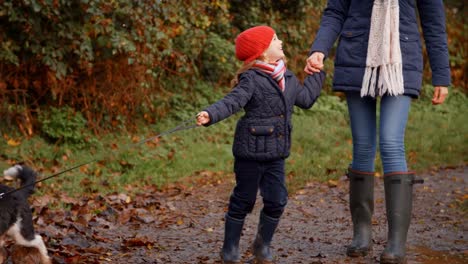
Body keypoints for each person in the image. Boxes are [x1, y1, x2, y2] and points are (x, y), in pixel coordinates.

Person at [304, 1, 450, 263]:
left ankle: (396, 242)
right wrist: (319, 49)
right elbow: (336, 11)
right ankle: (361, 233)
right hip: (356, 58)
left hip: (400, 60)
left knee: (392, 142)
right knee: (362, 146)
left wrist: (441, 75)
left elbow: (434, 23)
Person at [197, 25, 325, 263]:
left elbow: (306, 100)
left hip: (276, 152)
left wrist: (316, 74)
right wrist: (210, 114)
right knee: (243, 200)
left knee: (277, 200)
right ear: (262, 52)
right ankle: (230, 248)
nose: (280, 41)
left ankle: (262, 245)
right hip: (250, 152)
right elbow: (232, 101)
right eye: (274, 39)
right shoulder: (251, 79)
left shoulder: (287, 77)